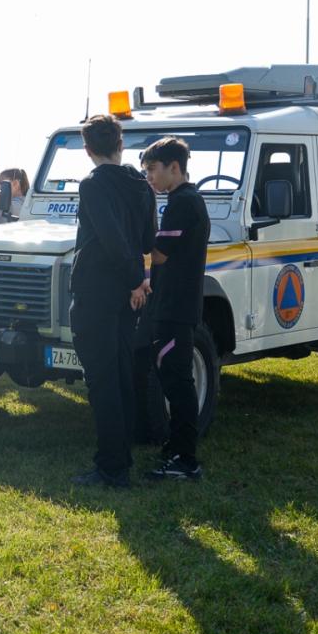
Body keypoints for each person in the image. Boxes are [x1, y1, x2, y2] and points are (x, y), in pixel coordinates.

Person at [69, 114, 156, 488]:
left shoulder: (92, 185)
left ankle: (111, 467)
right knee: (121, 375)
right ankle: (121, 456)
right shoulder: (142, 184)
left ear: (88, 150)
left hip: (97, 291)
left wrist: (135, 278)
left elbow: (109, 237)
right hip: (128, 293)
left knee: (102, 381)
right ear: (121, 146)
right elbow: (147, 239)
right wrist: (137, 280)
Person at [141, 136, 207, 481]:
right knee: (172, 378)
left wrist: (140, 228)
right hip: (172, 304)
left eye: (152, 169)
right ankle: (177, 448)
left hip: (176, 309)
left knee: (178, 383)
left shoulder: (183, 203)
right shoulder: (184, 200)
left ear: (174, 167)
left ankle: (186, 459)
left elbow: (160, 253)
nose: (149, 177)